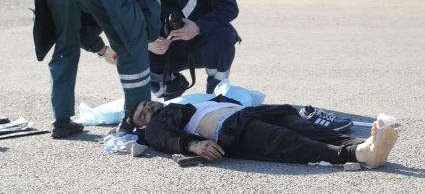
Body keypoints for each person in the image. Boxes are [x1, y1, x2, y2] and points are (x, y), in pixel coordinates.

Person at [33, 0, 161, 138]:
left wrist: (102, 49)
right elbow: (148, 13)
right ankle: (134, 119)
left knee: (65, 45)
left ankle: (61, 120)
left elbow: (83, 28)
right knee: (131, 41)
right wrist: (151, 34)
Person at [129, 96, 399, 168]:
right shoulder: (156, 124)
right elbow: (161, 138)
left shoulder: (182, 103)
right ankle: (360, 154)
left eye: (147, 103)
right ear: (141, 125)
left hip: (250, 114)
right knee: (290, 142)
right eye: (142, 112)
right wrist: (192, 146)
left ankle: (365, 144)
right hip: (232, 129)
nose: (148, 107)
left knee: (309, 129)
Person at [139, 0, 241, 100]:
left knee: (223, 33)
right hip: (166, 50)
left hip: (202, 45)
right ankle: (171, 87)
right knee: (136, 50)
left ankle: (217, 92)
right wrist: (147, 42)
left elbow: (230, 7)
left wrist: (198, 26)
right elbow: (125, 24)